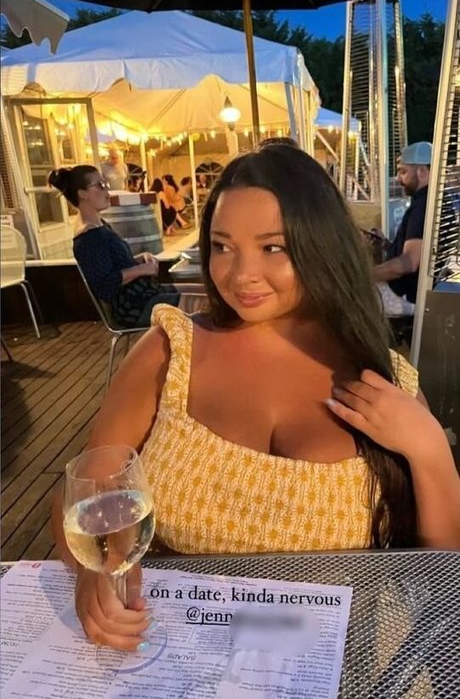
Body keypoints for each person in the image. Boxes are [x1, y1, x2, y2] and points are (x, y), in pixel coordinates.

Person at [52, 141, 460, 652]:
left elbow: (442, 567)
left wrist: (429, 448)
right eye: (222, 246)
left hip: (328, 657)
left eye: (273, 248)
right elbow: (86, 489)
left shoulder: (383, 377)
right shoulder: (170, 350)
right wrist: (92, 571)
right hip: (172, 648)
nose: (241, 274)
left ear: (322, 246)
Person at [48, 166, 183, 327]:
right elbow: (104, 285)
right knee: (200, 304)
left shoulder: (100, 226)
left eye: (106, 184)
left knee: (204, 294)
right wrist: (141, 270)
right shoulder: (89, 237)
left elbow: (113, 266)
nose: (107, 191)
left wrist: (139, 259)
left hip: (145, 294)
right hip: (134, 307)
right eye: (100, 185)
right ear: (82, 194)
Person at [373, 141, 432, 316]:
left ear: (422, 171)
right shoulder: (431, 200)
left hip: (402, 295)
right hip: (410, 291)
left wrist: (363, 276)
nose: (398, 179)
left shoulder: (422, 207)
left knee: (341, 296)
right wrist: (385, 244)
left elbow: (409, 263)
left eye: (403, 172)